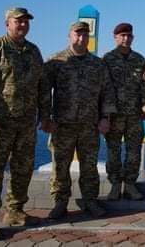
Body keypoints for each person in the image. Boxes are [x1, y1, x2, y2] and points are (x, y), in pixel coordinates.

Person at [0, 7, 51, 241]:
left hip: (26, 124)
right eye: (18, 21)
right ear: (7, 23)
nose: (23, 25)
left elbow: (42, 86)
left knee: (23, 169)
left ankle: (15, 211)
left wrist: (44, 115)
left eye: (26, 21)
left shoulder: (33, 51)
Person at [44, 21, 116, 219]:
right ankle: (60, 202)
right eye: (77, 34)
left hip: (89, 126)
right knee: (60, 167)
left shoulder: (98, 64)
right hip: (62, 126)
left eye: (85, 35)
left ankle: (90, 201)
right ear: (70, 35)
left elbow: (107, 92)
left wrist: (105, 118)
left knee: (89, 167)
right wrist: (46, 117)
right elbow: (44, 91)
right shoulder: (56, 61)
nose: (81, 38)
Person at [102, 23, 145, 201]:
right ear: (115, 37)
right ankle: (115, 185)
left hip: (134, 114)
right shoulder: (107, 59)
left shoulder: (139, 59)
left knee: (134, 151)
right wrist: (105, 115)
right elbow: (103, 87)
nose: (126, 38)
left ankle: (130, 184)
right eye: (122, 35)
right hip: (114, 115)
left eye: (129, 35)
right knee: (113, 151)